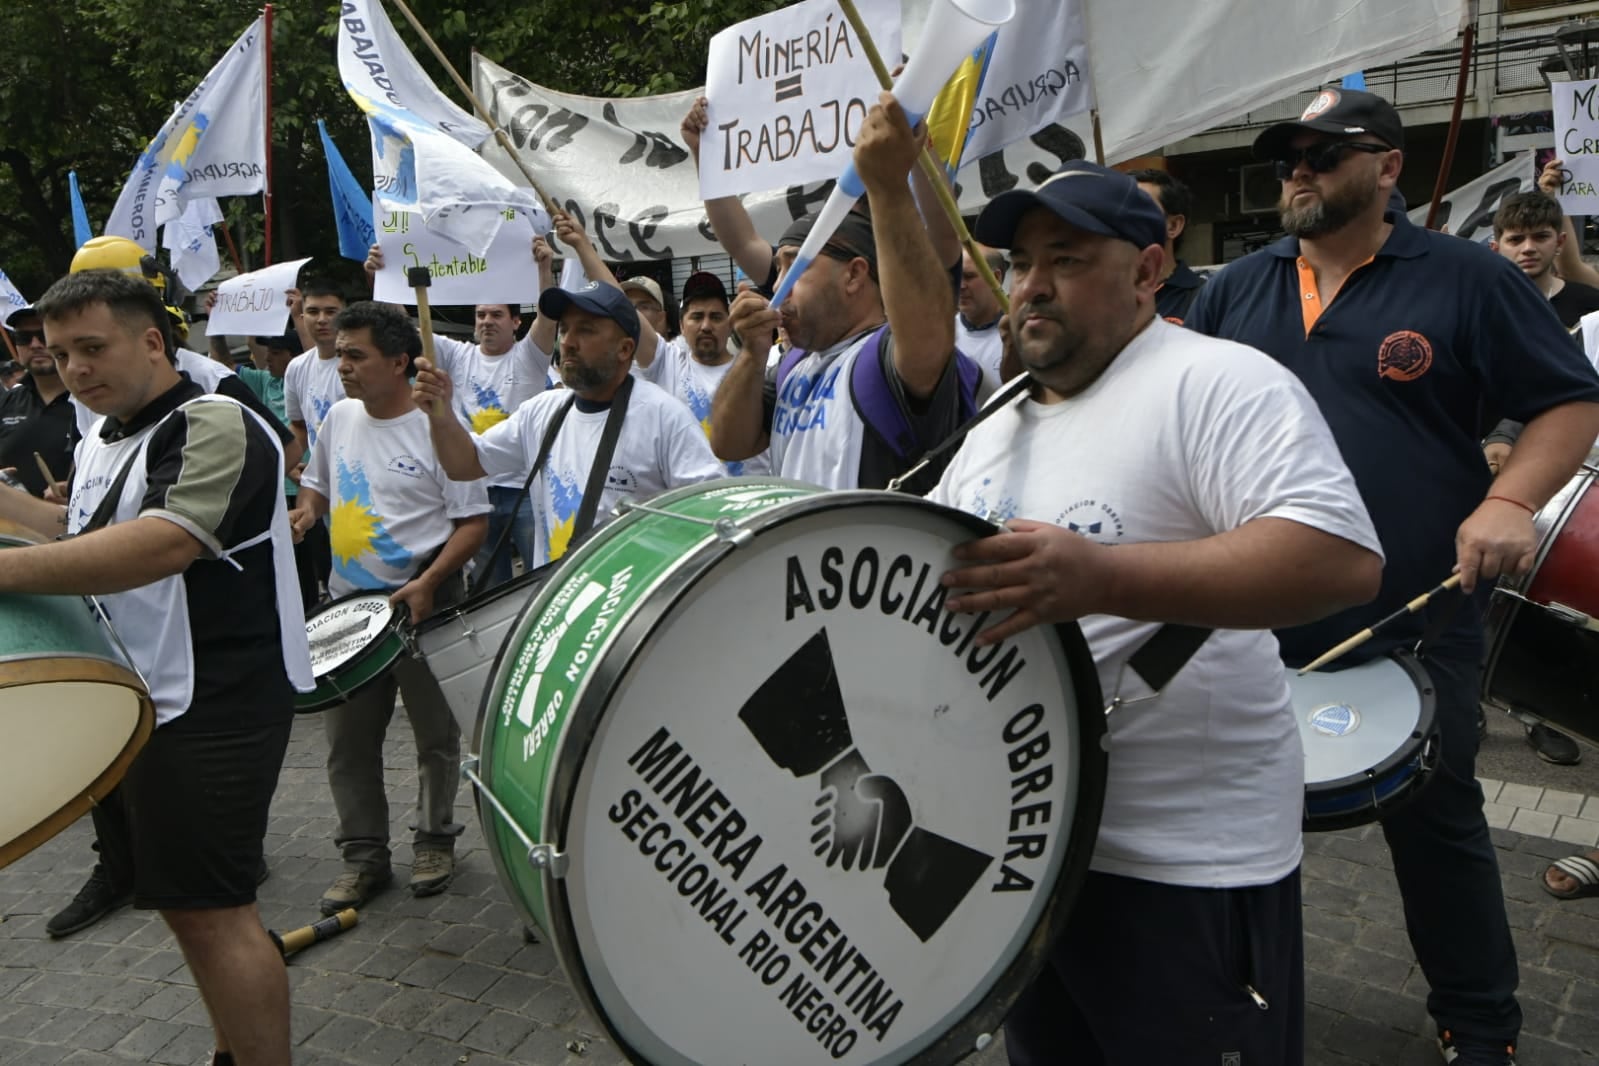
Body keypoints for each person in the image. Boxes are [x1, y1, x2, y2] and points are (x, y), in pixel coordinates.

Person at [928, 159, 1383, 1065]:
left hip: (1183, 864)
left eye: (1065, 257)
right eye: (1020, 261)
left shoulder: (1216, 381)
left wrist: (1103, 579)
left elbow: (1337, 560)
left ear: (1144, 271)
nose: (1032, 284)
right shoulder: (994, 426)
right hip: (1033, 854)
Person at [1184, 88, 1599, 1066]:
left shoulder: (1465, 278)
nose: (1299, 168)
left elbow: (1569, 405)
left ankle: (1481, 1025)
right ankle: (1230, 998)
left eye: (1326, 153)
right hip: (1247, 615)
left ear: (1387, 168)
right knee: (1232, 816)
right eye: (1290, 154)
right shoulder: (1233, 290)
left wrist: (1508, 503)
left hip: (1419, 613)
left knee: (1438, 816)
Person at [0, 269, 310, 1066]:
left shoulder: (217, 421)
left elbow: (167, 540)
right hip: (155, 698)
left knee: (215, 909)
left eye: (92, 348)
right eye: (62, 353)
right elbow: (75, 527)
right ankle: (232, 1050)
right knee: (186, 905)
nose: (73, 369)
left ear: (151, 340)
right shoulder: (107, 433)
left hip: (213, 701)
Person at [287, 302, 489, 913]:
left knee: (434, 739)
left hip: (423, 609)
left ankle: (434, 840)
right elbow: (317, 482)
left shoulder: (441, 429)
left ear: (400, 361)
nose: (342, 365)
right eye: (340, 353)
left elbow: (474, 522)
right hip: (348, 613)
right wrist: (307, 511)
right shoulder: (339, 418)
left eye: (356, 355)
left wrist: (429, 582)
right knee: (347, 745)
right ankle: (363, 858)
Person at [709, 92, 977, 492]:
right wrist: (751, 353)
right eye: (778, 267)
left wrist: (887, 182)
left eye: (795, 265)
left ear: (853, 275)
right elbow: (728, 443)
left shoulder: (889, 354)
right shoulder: (790, 366)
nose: (778, 285)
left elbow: (929, 319)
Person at [416, 281, 723, 568]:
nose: (568, 342)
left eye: (586, 330)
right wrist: (440, 414)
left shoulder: (665, 417)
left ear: (625, 349)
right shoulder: (540, 412)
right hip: (557, 605)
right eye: (565, 329)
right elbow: (464, 464)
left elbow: (712, 518)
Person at [363, 241, 555, 587]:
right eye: (481, 315)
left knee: (540, 579)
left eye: (497, 315)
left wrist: (544, 271)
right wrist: (382, 279)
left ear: (516, 322)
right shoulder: (456, 354)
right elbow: (409, 329)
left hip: (523, 489)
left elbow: (549, 316)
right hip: (473, 488)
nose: (487, 322)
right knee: (484, 588)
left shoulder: (530, 356)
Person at [237, 334, 322, 609]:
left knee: (320, 556)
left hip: (317, 489)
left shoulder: (312, 381)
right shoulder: (265, 382)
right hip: (284, 489)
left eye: (275, 352)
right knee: (297, 564)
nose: (268, 359)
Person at [1491, 191, 1599, 327]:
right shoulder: (1478, 305)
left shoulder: (1592, 305)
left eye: (1541, 237)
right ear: (1495, 248)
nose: (1528, 248)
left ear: (1559, 242)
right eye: (1515, 239)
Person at [0, 305, 74, 496]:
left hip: (75, 520)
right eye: (24, 338)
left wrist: (75, 489)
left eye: (43, 335)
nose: (34, 344)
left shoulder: (93, 402)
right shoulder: (7, 401)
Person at [1128, 168, 1208, 323]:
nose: (1126, 219)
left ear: (1173, 226)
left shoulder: (1205, 299)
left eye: (1140, 209)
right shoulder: (1099, 300)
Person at [954, 246, 1008, 397]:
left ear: (996, 278)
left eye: (969, 276)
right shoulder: (942, 333)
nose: (961, 285)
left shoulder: (1019, 335)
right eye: (956, 276)